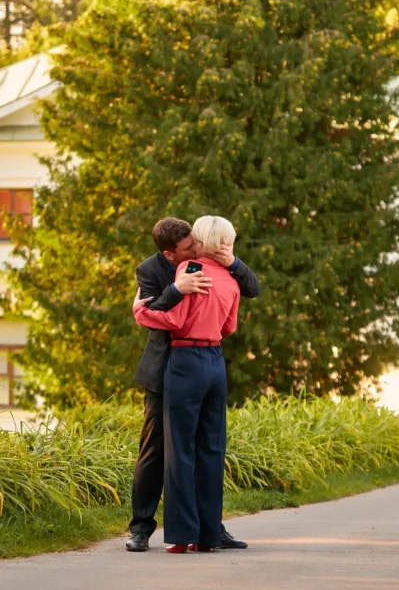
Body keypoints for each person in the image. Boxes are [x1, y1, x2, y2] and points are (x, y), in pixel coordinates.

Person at [125, 217, 260, 553]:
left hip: (186, 364)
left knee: (182, 453)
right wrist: (175, 290)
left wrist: (140, 311)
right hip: (174, 369)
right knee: (163, 450)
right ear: (171, 254)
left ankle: (198, 530)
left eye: (198, 242)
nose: (196, 249)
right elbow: (229, 326)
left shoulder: (213, 268)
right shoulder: (151, 270)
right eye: (189, 247)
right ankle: (142, 528)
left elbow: (171, 319)